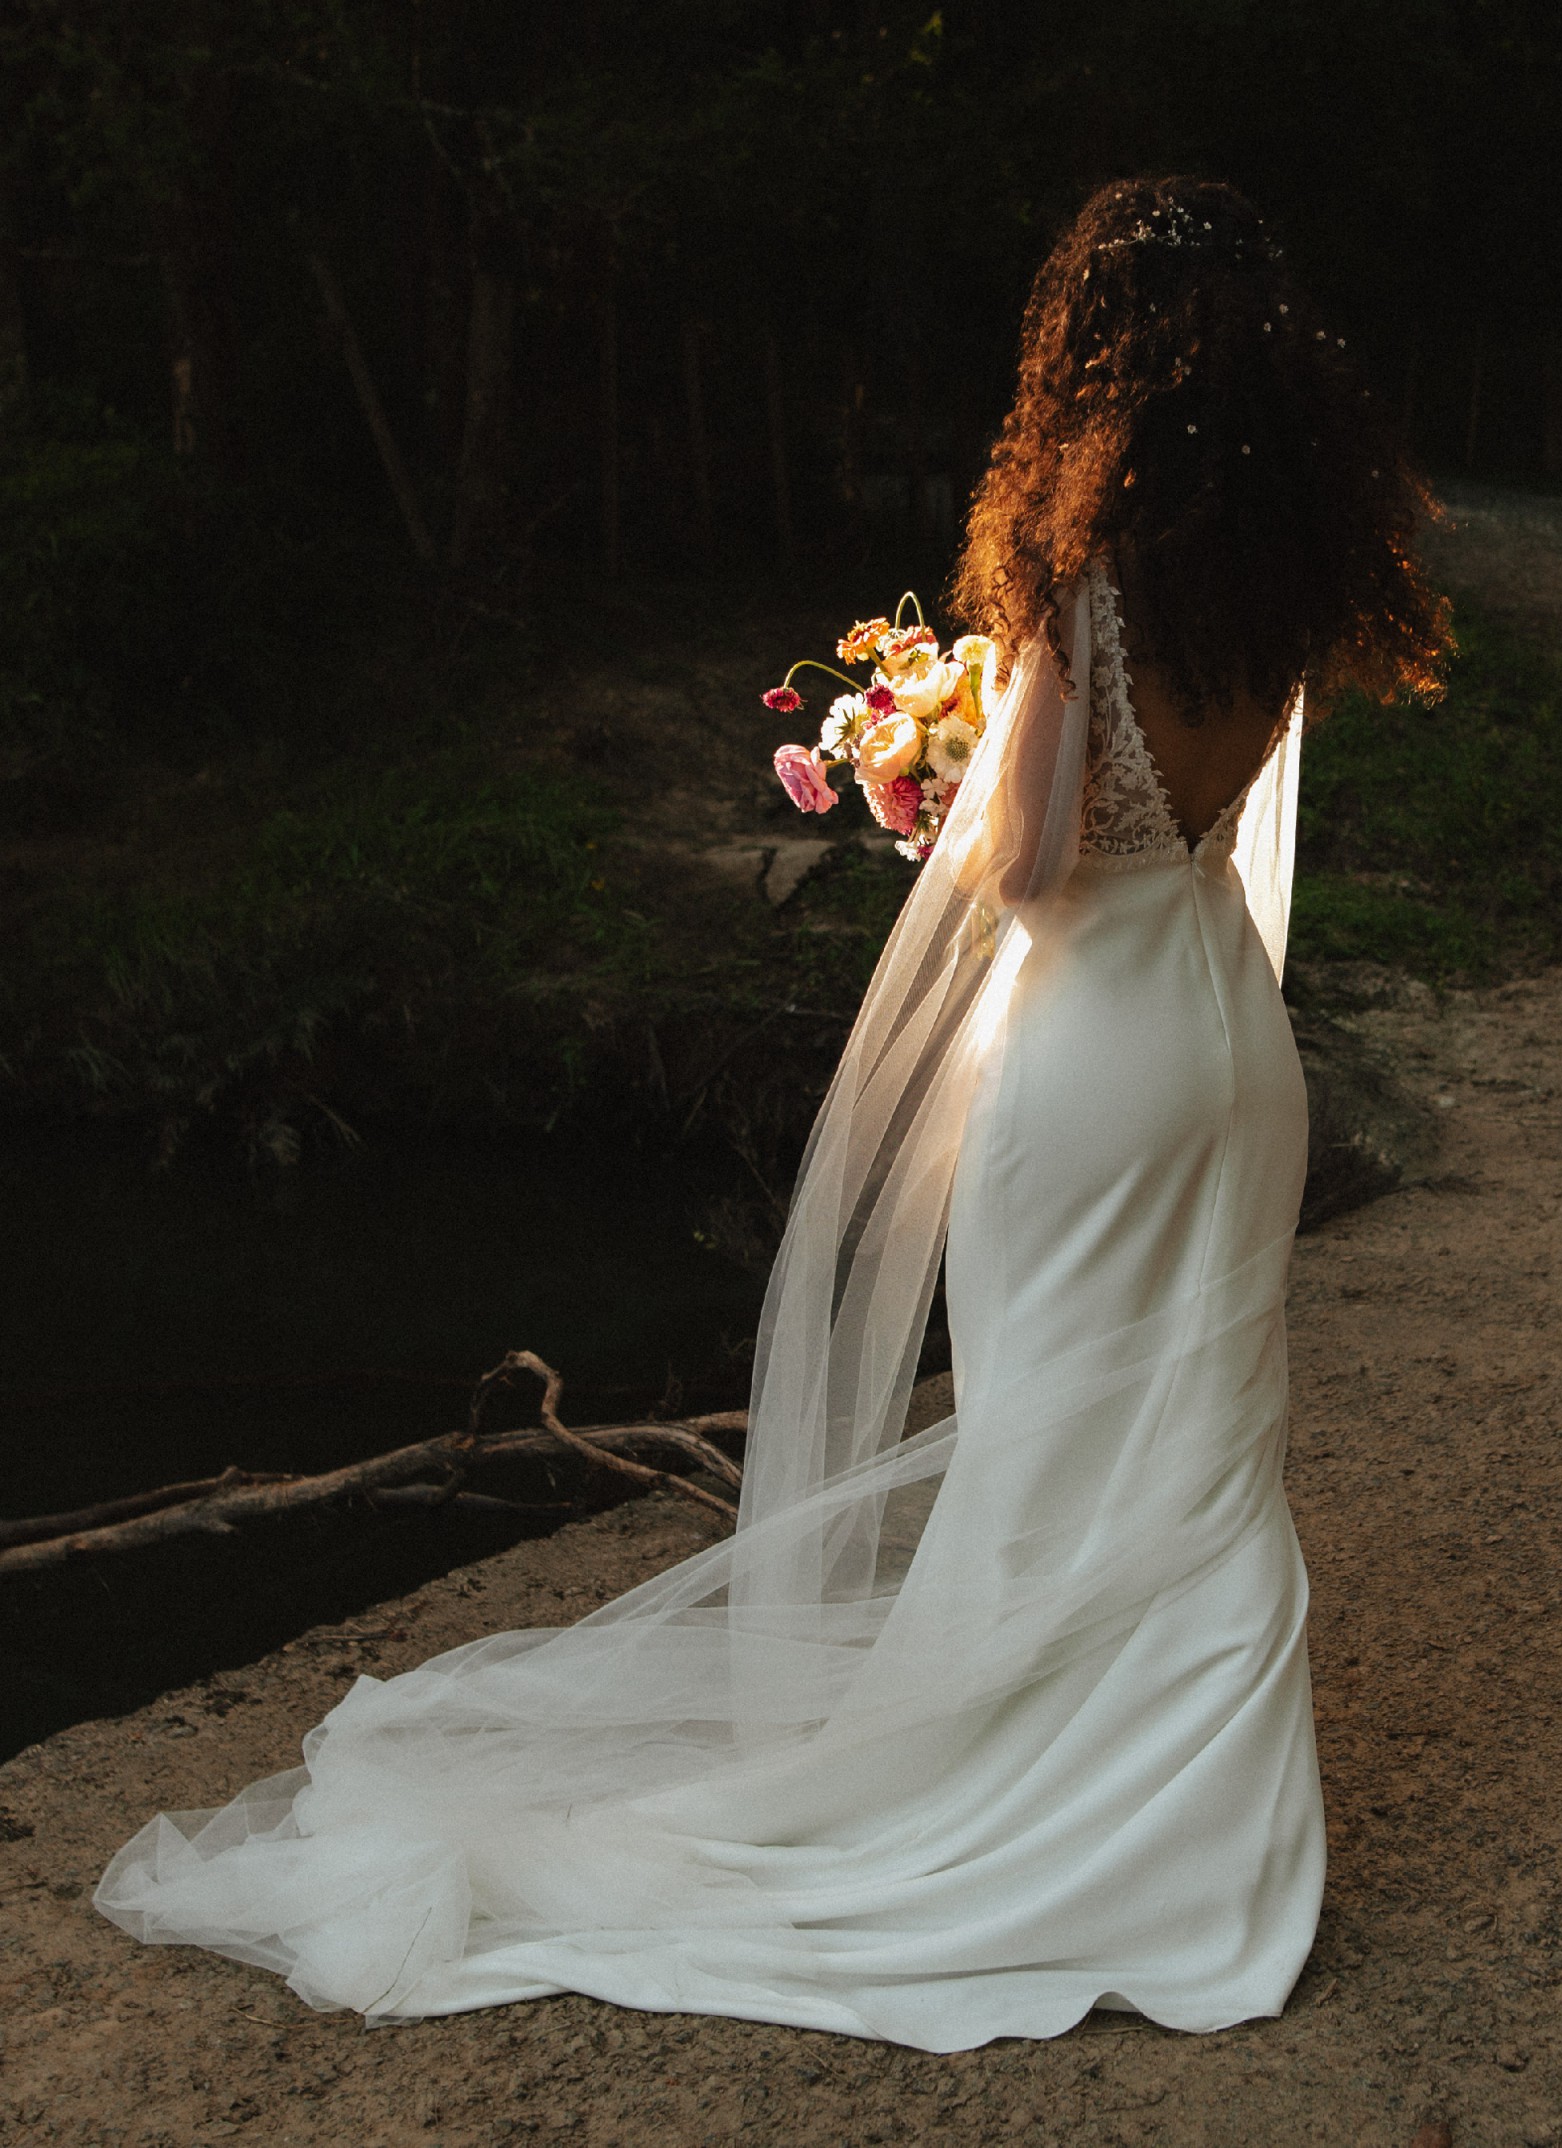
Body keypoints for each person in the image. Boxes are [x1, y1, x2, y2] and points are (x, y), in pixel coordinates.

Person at [95, 176, 1450, 2050]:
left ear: (1100, 362)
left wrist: (941, 785)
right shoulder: (1290, 582)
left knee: (1050, 1430)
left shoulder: (1096, 582)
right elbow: (1198, 835)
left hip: (1092, 1059)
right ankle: (1203, 1842)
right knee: (1197, 1437)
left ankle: (1023, 1815)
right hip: (1229, 1045)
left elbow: (1042, 871)